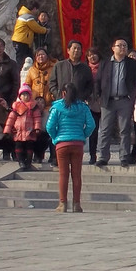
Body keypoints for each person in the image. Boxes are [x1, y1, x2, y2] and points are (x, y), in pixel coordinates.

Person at [45, 83, 96, 213]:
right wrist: (83, 135)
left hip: (62, 144)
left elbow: (49, 126)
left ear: (63, 93)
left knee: (63, 174)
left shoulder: (57, 107)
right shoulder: (83, 107)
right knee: (76, 175)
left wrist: (55, 138)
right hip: (77, 143)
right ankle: (76, 204)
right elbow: (91, 125)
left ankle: (62, 204)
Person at [95, 38, 136, 168]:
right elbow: (98, 80)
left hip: (124, 100)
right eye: (119, 45)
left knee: (125, 130)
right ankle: (103, 156)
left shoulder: (131, 64)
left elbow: (135, 81)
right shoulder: (105, 63)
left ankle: (124, 157)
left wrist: (132, 97)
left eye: (124, 46)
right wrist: (98, 96)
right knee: (105, 130)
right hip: (108, 100)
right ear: (113, 48)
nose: (122, 48)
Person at [4, 83, 42, 171]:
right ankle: (21, 161)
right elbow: (11, 119)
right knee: (18, 146)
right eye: (23, 94)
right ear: (20, 96)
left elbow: (37, 118)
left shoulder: (33, 107)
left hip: (30, 131)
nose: (25, 96)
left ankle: (28, 161)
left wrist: (37, 128)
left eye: (27, 94)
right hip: (18, 131)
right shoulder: (16, 107)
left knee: (29, 147)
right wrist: (7, 130)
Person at [84, 47, 102, 165]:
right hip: (90, 102)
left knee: (105, 130)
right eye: (90, 55)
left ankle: (104, 155)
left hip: (104, 102)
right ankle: (92, 154)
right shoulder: (85, 69)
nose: (92, 57)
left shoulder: (104, 67)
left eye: (94, 54)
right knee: (93, 130)